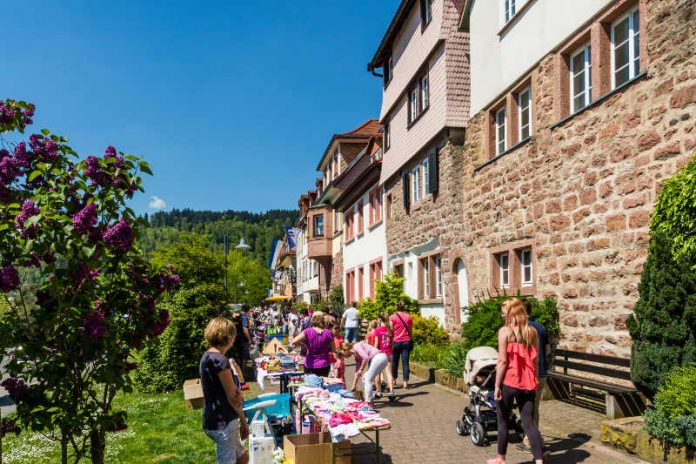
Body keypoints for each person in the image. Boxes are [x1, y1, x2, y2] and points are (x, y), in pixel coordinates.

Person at [488, 299, 544, 464]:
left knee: (503, 421)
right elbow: (536, 359)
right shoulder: (532, 332)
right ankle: (539, 461)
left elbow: (502, 362)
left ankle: (501, 458)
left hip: (509, 382)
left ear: (512, 312)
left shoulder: (505, 332)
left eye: (504, 310)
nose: (502, 314)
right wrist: (535, 378)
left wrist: (497, 385)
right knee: (529, 423)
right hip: (528, 383)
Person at [200, 317, 249, 464]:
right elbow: (232, 396)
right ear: (228, 336)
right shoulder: (220, 360)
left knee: (241, 457)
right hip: (223, 421)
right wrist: (244, 421)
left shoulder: (207, 356)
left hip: (214, 417)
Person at [521, 299, 550, 452]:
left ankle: (531, 441)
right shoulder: (541, 327)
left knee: (528, 409)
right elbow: (548, 351)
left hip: (528, 375)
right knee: (533, 408)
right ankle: (533, 438)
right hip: (542, 373)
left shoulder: (522, 329)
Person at [290, 312, 335, 377]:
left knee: (309, 386)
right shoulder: (328, 333)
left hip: (310, 363)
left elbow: (293, 341)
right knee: (322, 385)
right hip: (324, 364)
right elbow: (334, 350)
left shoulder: (307, 331)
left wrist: (303, 345)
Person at [389, 302, 413, 389]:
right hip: (406, 341)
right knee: (405, 362)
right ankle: (405, 382)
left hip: (396, 342)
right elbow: (410, 330)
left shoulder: (392, 317)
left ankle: (394, 379)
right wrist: (411, 339)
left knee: (394, 362)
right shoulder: (408, 317)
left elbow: (391, 330)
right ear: (404, 307)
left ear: (396, 307)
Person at [373, 313, 395, 398]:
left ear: (379, 320)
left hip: (380, 353)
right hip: (389, 353)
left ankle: (378, 391)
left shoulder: (377, 330)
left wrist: (373, 353)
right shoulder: (389, 329)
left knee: (377, 372)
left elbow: (376, 343)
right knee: (389, 373)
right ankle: (391, 392)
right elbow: (392, 343)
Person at [230, 306, 252, 381]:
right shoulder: (244, 317)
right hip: (243, 339)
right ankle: (243, 374)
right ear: (247, 311)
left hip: (236, 339)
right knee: (244, 357)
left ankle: (239, 374)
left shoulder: (235, 318)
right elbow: (245, 329)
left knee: (239, 357)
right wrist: (249, 339)